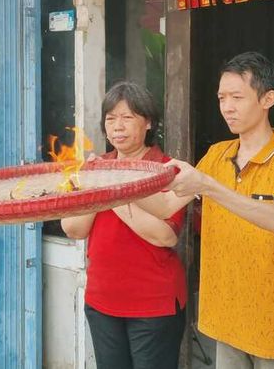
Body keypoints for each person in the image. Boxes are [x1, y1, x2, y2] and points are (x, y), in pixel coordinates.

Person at [136, 51, 274, 368]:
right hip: (226, 313)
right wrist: (114, 191)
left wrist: (208, 186)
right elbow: (164, 205)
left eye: (237, 97)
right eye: (221, 98)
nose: (227, 107)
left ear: (268, 98)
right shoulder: (217, 155)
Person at [60, 81, 186, 369]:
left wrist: (111, 190)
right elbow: (73, 229)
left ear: (149, 123)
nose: (117, 126)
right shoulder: (95, 168)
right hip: (103, 300)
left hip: (154, 304)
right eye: (110, 119)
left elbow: (165, 236)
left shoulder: (167, 170)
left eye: (127, 117)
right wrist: (97, 180)